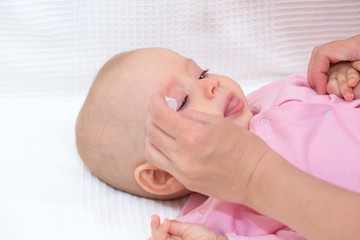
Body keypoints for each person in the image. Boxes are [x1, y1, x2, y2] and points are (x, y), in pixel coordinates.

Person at [76, 46, 360, 239]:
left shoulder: (267, 97)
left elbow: (326, 88)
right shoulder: (222, 214)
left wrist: (342, 77)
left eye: (201, 74)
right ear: (161, 174)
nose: (210, 85)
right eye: (183, 101)